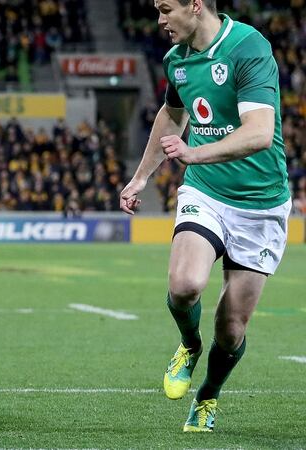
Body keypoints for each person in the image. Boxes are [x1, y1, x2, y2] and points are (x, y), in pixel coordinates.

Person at [120, 0, 290, 433]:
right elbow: (172, 115)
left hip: (261, 202)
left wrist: (194, 151)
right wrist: (141, 178)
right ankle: (189, 345)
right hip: (206, 189)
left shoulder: (248, 47)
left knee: (232, 328)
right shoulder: (176, 60)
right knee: (184, 285)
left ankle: (209, 394)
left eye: (166, 8)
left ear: (196, 6)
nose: (159, 20)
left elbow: (259, 132)